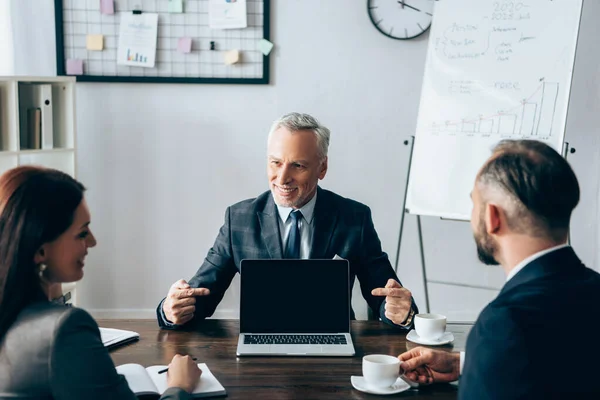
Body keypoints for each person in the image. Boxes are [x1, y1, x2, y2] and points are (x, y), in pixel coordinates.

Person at [157, 112, 418, 329]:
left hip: (332, 339)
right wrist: (172, 310)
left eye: (298, 166)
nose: (282, 179)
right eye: (275, 163)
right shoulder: (239, 219)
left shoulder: (354, 218)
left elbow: (386, 295)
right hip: (259, 338)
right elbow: (201, 296)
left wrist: (401, 311)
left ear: (322, 168)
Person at [398, 140, 600, 399]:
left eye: (474, 204)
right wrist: (466, 363)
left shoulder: (504, 324)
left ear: (492, 217)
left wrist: (488, 356)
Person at [0, 166, 201, 399]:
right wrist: (179, 386)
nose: (93, 242)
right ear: (41, 248)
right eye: (82, 233)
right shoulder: (65, 329)